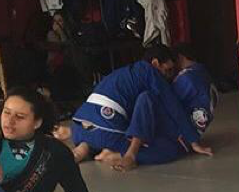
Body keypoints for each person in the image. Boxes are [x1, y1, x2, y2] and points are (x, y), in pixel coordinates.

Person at [70, 45, 211, 172]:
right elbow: (174, 108)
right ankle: (128, 155)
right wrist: (193, 141)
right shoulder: (152, 73)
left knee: (103, 126)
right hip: (108, 130)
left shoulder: (123, 73)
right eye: (168, 70)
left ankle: (83, 148)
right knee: (167, 150)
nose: (169, 75)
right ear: (155, 63)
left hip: (79, 128)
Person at [173, 43, 218, 135]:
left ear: (180, 57)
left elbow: (170, 100)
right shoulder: (202, 70)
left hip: (186, 130)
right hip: (200, 125)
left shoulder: (186, 77)